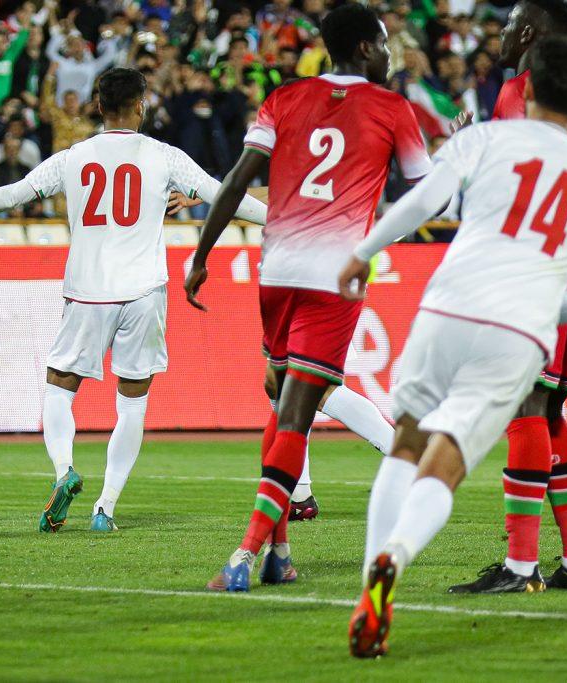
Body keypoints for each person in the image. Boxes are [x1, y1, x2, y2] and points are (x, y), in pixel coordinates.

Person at [343, 35, 567, 658]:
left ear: (528, 85)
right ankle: (395, 556)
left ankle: (370, 582)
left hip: (449, 303)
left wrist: (363, 251)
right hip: (519, 332)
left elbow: (422, 201)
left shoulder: (486, 137)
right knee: (448, 464)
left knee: (407, 442)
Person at [0, 67, 267, 534]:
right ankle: (106, 508)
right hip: (144, 293)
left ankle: (65, 471)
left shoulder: (73, 157)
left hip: (87, 292)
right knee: (132, 404)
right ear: (141, 105)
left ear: (98, 107)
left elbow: (14, 195)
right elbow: (227, 196)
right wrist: (280, 220)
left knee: (59, 388)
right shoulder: (165, 156)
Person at [184, 2, 432, 592]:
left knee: (280, 399)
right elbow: (431, 196)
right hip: (333, 274)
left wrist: (201, 255)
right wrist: (376, 238)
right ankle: (244, 554)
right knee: (299, 410)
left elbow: (238, 179)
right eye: (385, 44)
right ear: (366, 48)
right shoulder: (393, 108)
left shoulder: (285, 97)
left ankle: (281, 552)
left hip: (278, 268)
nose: (390, 55)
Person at [446, 0, 567, 594]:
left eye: (506, 26)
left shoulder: (515, 93)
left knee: (525, 407)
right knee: (549, 412)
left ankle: (521, 567)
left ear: (527, 33)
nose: (499, 36)